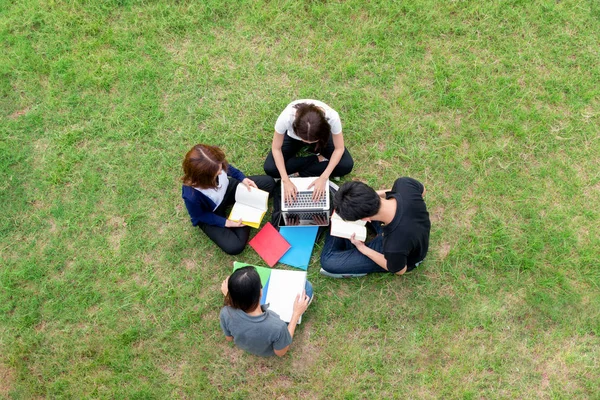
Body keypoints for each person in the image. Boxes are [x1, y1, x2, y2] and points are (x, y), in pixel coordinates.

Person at [320, 177, 430, 277]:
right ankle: (341, 213)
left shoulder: (394, 246)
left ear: (366, 219)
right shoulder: (405, 184)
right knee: (340, 213)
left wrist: (363, 249)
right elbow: (422, 191)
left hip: (403, 255)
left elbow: (400, 270)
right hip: (403, 228)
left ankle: (336, 221)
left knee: (328, 261)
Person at [181, 144, 275, 255]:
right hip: (212, 211)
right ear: (203, 177)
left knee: (269, 183)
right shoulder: (191, 195)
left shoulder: (216, 164)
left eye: (220, 167)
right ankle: (245, 214)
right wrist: (227, 223)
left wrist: (242, 178)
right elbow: (199, 216)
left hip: (228, 190)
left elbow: (228, 168)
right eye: (217, 173)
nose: (221, 172)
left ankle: (244, 210)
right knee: (234, 246)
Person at [263, 99, 354, 203]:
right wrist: (285, 180)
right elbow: (276, 148)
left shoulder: (332, 117)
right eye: (305, 140)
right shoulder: (286, 117)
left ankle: (297, 173)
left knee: (346, 165)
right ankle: (316, 160)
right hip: (293, 139)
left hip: (322, 139)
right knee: (270, 168)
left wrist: (323, 178)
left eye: (312, 141)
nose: (309, 143)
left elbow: (339, 148)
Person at [219, 266, 312, 357]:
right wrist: (296, 314)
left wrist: (229, 294)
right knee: (307, 287)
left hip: (252, 342)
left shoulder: (226, 312)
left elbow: (229, 338)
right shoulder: (277, 326)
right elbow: (280, 353)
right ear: (260, 292)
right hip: (269, 348)